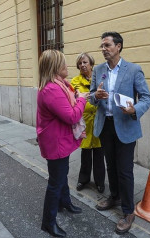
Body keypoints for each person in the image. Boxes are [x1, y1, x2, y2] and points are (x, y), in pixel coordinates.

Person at [90, 32, 150, 234]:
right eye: (102, 45)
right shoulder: (98, 69)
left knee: (125, 170)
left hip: (125, 125)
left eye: (107, 45)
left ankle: (128, 211)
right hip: (105, 125)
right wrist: (96, 96)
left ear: (118, 46)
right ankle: (114, 195)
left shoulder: (134, 69)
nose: (103, 49)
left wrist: (135, 109)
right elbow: (91, 97)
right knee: (111, 165)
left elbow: (146, 98)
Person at [36, 49, 89, 237]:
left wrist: (78, 97)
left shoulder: (61, 85)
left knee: (62, 174)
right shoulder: (52, 89)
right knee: (55, 182)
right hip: (55, 142)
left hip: (59, 140)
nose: (67, 66)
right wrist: (82, 99)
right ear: (55, 67)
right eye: (63, 63)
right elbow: (72, 115)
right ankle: (48, 223)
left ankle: (64, 203)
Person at [70, 53, 105, 194]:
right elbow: (72, 100)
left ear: (91, 64)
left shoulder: (100, 79)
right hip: (84, 122)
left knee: (99, 154)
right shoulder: (75, 81)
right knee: (85, 154)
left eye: (85, 62)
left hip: (98, 120)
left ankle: (100, 182)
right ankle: (83, 179)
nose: (83, 65)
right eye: (80, 63)